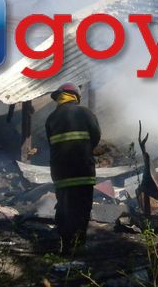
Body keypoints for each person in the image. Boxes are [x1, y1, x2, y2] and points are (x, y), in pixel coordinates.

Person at [45, 82, 101, 255]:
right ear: (75, 96)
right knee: (82, 208)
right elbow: (96, 136)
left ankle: (65, 245)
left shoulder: (51, 118)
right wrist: (84, 149)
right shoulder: (85, 113)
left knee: (64, 207)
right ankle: (78, 246)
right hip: (83, 170)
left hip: (61, 173)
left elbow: (51, 144)